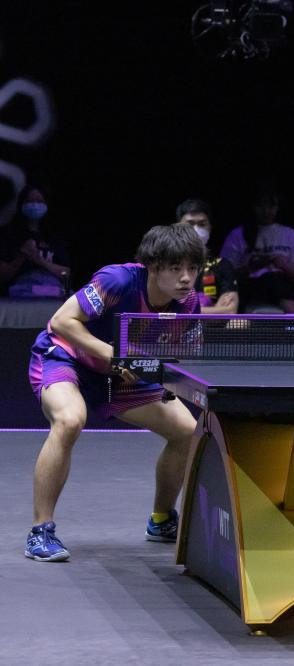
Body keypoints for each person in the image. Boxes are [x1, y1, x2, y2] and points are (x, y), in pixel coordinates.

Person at [25, 225, 202, 562]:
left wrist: (167, 380)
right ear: (153, 266)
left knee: (186, 431)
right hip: (65, 357)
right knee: (69, 420)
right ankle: (40, 531)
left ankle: (162, 520)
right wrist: (113, 355)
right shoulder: (118, 281)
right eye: (176, 268)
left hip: (120, 374)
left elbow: (182, 354)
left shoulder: (188, 303)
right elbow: (62, 321)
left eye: (192, 268)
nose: (186, 278)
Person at [220, 188, 294, 313]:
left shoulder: (290, 234)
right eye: (261, 206)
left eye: (271, 206)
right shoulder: (237, 235)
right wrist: (251, 267)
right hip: (249, 287)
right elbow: (224, 277)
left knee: (291, 304)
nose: (266, 211)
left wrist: (282, 264)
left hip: (283, 286)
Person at [0, 185, 71, 298]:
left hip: (52, 287)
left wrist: (40, 261)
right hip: (21, 290)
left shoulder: (54, 237)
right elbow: (3, 275)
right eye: (30, 201)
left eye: (39, 201)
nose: (34, 205)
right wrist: (22, 255)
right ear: (21, 204)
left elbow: (65, 273)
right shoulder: (8, 234)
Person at [176, 198, 239, 314]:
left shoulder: (222, 265)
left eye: (202, 224)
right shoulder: (168, 264)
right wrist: (215, 310)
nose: (196, 229)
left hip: (211, 325)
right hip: (176, 324)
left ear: (210, 227)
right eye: (190, 224)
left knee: (241, 322)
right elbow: (165, 309)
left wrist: (185, 311)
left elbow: (230, 311)